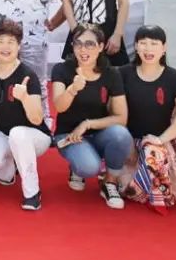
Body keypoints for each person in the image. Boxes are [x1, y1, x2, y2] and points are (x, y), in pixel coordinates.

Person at [51, 23, 133, 210]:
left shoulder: (111, 74)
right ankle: (76, 165)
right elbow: (59, 107)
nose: (83, 49)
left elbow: (121, 118)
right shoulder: (62, 70)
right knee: (89, 167)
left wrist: (87, 124)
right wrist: (73, 89)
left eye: (89, 44)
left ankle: (110, 182)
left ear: (101, 46)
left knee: (121, 134)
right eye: (78, 44)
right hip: (69, 135)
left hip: (98, 133)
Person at [0, 19, 52, 210]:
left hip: (35, 136)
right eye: (0, 41)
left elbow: (37, 119)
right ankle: (9, 173)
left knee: (18, 134)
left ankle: (32, 193)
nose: (5, 47)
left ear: (18, 45)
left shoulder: (27, 75)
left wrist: (24, 98)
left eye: (11, 42)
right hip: (3, 132)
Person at [120, 25, 176, 211]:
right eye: (143, 43)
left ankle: (150, 189)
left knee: (153, 155)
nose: (148, 49)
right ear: (135, 46)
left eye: (154, 44)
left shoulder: (174, 78)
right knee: (126, 186)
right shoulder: (122, 74)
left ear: (164, 48)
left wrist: (161, 140)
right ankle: (146, 183)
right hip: (126, 142)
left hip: (159, 142)